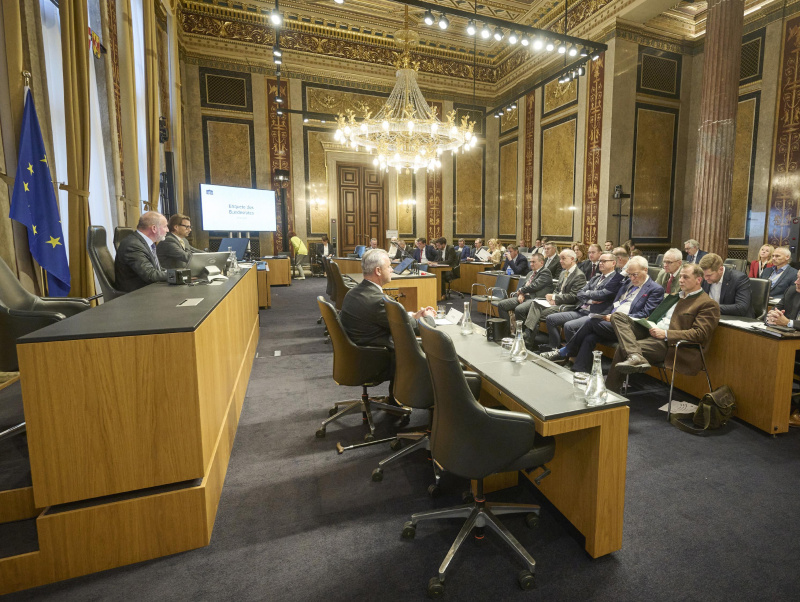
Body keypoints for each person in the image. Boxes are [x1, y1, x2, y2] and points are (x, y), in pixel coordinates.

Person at [340, 249, 436, 405]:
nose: (392, 269)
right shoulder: (378, 301)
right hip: (372, 360)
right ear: (378, 271)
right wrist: (429, 318)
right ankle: (411, 401)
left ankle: (395, 399)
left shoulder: (354, 292)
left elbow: (385, 319)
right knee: (418, 353)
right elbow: (414, 329)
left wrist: (413, 316)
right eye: (389, 266)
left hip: (355, 355)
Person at [606, 264, 720, 390]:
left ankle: (610, 393)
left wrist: (666, 334)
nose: (681, 280)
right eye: (680, 276)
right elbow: (655, 317)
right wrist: (643, 322)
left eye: (685, 277)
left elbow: (700, 334)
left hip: (668, 344)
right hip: (650, 331)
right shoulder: (674, 296)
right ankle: (635, 355)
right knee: (617, 316)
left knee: (623, 348)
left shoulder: (708, 304)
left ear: (699, 280)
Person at [540, 256, 664, 372]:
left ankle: (565, 351)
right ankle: (579, 370)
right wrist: (623, 273)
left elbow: (645, 314)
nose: (632, 278)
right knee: (590, 337)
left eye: (635, 274)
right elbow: (610, 287)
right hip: (610, 322)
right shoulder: (628, 283)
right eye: (629, 274)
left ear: (645, 270)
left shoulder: (655, 289)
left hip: (629, 327)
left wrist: (618, 318)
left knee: (591, 322)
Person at [543, 252, 625, 348]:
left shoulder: (616, 280)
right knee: (551, 319)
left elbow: (601, 295)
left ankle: (572, 356)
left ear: (613, 263)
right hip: (581, 309)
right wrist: (589, 300)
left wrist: (587, 294)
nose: (600, 263)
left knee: (569, 326)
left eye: (604, 261)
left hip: (596, 314)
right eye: (600, 261)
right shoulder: (596, 278)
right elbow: (579, 293)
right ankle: (554, 348)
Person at [522, 249, 586, 346]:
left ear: (572, 259)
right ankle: (528, 336)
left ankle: (548, 344)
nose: (560, 261)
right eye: (560, 258)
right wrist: (552, 298)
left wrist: (555, 298)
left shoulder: (579, 275)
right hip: (556, 302)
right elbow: (557, 290)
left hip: (567, 305)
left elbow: (573, 297)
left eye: (563, 258)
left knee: (538, 314)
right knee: (534, 304)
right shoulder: (563, 273)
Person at [766, 272, 800, 427]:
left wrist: (789, 323)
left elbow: (787, 322)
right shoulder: (793, 290)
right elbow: (775, 309)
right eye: (797, 276)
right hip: (790, 342)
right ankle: (779, 402)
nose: (796, 281)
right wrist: (773, 316)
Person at [495, 252, 554, 328]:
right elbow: (524, 286)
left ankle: (522, 334)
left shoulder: (545, 272)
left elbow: (534, 286)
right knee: (502, 305)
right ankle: (506, 332)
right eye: (530, 262)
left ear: (541, 262)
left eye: (533, 262)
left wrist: (521, 291)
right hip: (524, 297)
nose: (531, 264)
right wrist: (521, 294)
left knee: (519, 309)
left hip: (535, 299)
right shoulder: (530, 273)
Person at [114, 211, 168, 292]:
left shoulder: (145, 243)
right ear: (154, 228)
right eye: (165, 226)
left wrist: (176, 273)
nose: (167, 230)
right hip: (136, 295)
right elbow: (150, 275)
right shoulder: (133, 245)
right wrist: (177, 275)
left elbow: (157, 269)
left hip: (149, 289)